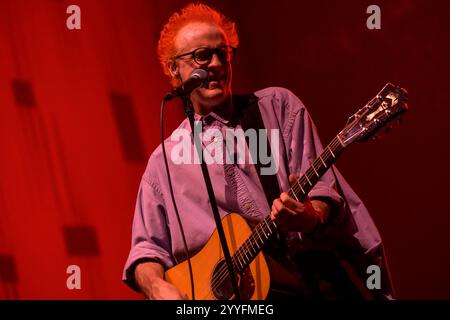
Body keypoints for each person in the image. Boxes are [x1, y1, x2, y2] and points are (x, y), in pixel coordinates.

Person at [123, 3, 394, 300]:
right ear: (174, 68)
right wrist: (157, 286)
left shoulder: (275, 108)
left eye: (222, 54)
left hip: (305, 284)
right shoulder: (163, 164)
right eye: (202, 56)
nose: (215, 64)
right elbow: (146, 250)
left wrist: (309, 216)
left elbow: (323, 191)